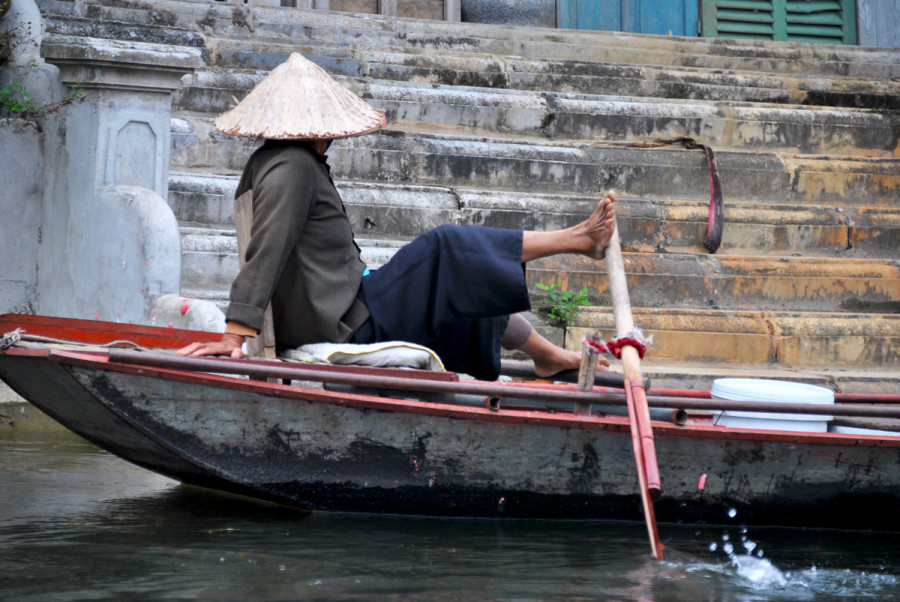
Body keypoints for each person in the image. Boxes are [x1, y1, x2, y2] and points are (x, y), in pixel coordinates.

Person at [178, 53, 615, 381]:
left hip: (355, 300)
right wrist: (234, 335)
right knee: (448, 247)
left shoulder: (278, 162)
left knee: (467, 277)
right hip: (346, 324)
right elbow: (267, 249)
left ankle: (547, 356)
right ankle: (579, 239)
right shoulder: (291, 166)